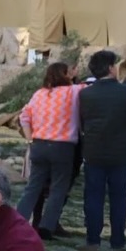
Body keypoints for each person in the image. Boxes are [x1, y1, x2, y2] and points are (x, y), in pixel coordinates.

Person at [77, 49, 126, 251]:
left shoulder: (86, 93)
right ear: (111, 68)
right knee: (118, 198)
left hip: (93, 151)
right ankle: (117, 244)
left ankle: (92, 241)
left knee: (93, 197)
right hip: (120, 152)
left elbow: (83, 121)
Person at [16, 62, 83, 241]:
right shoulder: (74, 91)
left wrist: (30, 139)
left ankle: (17, 222)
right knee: (58, 188)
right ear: (66, 74)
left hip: (38, 144)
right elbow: (91, 89)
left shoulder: (39, 94)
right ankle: (47, 226)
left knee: (33, 187)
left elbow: (24, 117)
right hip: (62, 145)